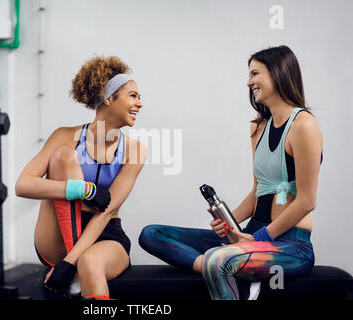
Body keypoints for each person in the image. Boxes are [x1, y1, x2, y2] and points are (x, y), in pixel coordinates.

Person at [138, 45, 323, 300]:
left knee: (217, 259)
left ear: (278, 73)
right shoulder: (258, 128)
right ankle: (230, 266)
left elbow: (306, 201)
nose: (249, 82)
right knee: (152, 234)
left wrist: (256, 239)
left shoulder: (304, 125)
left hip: (289, 244)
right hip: (251, 233)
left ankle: (224, 265)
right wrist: (229, 226)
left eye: (255, 73)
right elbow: (258, 191)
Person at [16, 55, 147, 300]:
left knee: (89, 262)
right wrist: (83, 190)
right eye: (133, 96)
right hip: (57, 232)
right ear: (109, 98)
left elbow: (106, 210)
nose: (140, 104)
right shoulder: (64, 136)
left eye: (139, 97)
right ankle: (73, 262)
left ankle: (76, 270)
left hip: (105, 233)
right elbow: (22, 185)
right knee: (64, 157)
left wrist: (69, 262)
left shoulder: (136, 150)